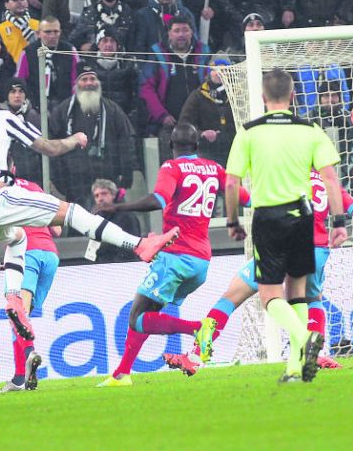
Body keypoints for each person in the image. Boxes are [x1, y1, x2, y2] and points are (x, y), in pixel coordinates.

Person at [0, 81, 180, 346]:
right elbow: (49, 148)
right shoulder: (4, 118)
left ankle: (14, 299)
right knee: (73, 212)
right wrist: (75, 139)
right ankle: (140, 244)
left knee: (18, 238)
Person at [164, 169, 353, 375]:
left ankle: (196, 356)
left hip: (283, 247)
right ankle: (314, 354)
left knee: (232, 296)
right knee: (313, 299)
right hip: (316, 252)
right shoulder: (329, 183)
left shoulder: (288, 173)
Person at [95, 123, 251, 387]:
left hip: (175, 256)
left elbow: (158, 200)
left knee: (137, 318)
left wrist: (116, 207)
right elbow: (245, 198)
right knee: (147, 314)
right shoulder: (214, 168)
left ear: (170, 145)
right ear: (197, 145)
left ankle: (198, 328)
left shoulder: (172, 167)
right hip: (201, 261)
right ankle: (122, 374)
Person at [222, 68, 348, 383]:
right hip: (303, 217)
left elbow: (232, 183)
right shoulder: (310, 129)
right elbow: (330, 179)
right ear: (293, 96)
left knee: (269, 296)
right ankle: (294, 368)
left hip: (268, 217)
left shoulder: (249, 132)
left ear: (263, 97)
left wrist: (233, 220)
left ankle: (304, 339)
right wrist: (339, 221)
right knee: (298, 293)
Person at [0, 156, 63, 393]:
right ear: (14, 168)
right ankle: (18, 378)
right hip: (50, 255)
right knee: (21, 318)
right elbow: (57, 228)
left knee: (17, 314)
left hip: (26, 254)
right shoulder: (33, 187)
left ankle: (29, 357)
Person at [48, 63, 137, 207]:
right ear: (76, 83)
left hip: (107, 182)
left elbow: (126, 143)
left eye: (92, 79)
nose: (89, 83)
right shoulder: (62, 112)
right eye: (84, 79)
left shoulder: (113, 110)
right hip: (75, 184)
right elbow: (52, 146)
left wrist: (126, 177)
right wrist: (59, 181)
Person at [138, 15, 210, 155]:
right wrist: (161, 115)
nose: (181, 34)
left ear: (192, 32)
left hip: (200, 126)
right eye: (176, 31)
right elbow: (146, 88)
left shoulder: (203, 53)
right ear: (169, 34)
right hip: (169, 126)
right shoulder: (158, 55)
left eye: (185, 30)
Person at [15, 15, 79, 111]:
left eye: (56, 32)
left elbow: (76, 81)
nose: (52, 36)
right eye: (48, 32)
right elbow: (20, 81)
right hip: (34, 105)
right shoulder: (27, 53)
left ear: (60, 32)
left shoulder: (70, 51)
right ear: (38, 33)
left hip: (64, 105)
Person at [68, 0, 136, 52]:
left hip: (121, 57)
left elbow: (134, 39)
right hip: (94, 57)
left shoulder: (127, 12)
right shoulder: (89, 13)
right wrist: (82, 46)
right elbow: (73, 39)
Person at [132, 0, 198, 55]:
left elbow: (195, 42)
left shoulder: (185, 13)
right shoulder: (142, 15)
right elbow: (139, 47)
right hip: (153, 60)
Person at [89, 178, 141, 263]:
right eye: (96, 196)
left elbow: (128, 252)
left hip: (120, 267)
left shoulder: (126, 217)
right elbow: (92, 251)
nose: (100, 198)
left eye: (104, 193)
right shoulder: (97, 218)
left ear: (113, 195)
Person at [0, 0, 40, 64]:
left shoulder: (39, 25)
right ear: (6, 4)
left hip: (35, 67)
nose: (20, 2)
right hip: (11, 70)